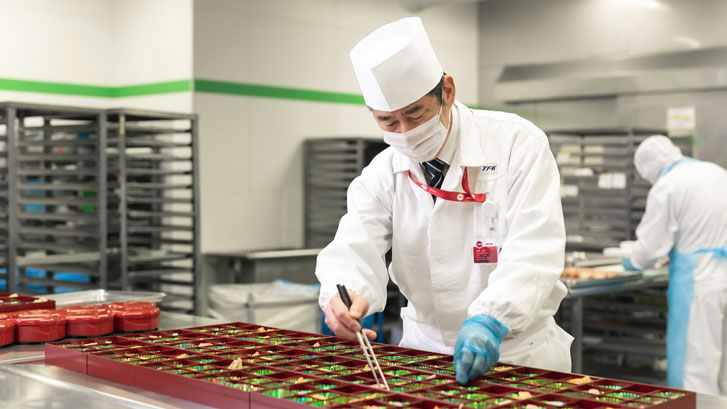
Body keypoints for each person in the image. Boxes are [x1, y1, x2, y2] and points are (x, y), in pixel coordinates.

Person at [315, 16, 573, 385]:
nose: (405, 133)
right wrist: (345, 293)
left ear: (447, 92)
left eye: (415, 114)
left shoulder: (516, 143)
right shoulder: (383, 172)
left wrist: (491, 318)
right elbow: (355, 244)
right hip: (425, 351)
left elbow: (535, 249)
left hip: (517, 350)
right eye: (388, 122)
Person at [622, 135, 727, 395]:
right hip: (722, 273)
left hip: (699, 284)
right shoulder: (717, 172)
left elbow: (650, 244)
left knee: (695, 368)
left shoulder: (668, 185)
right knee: (723, 365)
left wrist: (633, 260)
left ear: (648, 169)